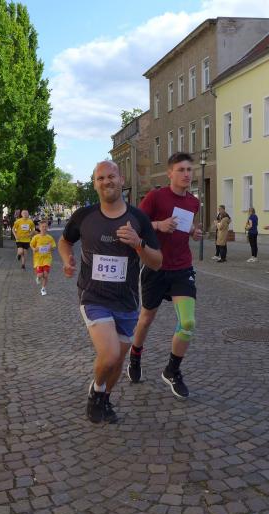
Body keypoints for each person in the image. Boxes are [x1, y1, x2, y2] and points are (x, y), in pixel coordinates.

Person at [59, 161, 161, 423]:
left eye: (111, 176)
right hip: (93, 296)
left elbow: (157, 262)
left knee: (116, 362)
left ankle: (103, 398)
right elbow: (65, 241)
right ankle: (96, 391)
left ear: (121, 179)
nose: (107, 181)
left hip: (127, 300)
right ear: (95, 184)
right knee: (111, 354)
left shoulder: (138, 219)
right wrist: (67, 259)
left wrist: (138, 244)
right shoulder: (84, 216)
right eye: (101, 178)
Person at [128, 152, 203, 398]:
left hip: (182, 268)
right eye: (181, 170)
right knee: (146, 319)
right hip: (155, 267)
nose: (186, 174)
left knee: (188, 322)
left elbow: (185, 225)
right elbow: (135, 224)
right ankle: (135, 356)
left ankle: (172, 370)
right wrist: (159, 225)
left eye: (189, 170)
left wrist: (193, 232)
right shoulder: (156, 197)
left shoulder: (193, 202)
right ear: (170, 173)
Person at [30, 220, 56, 295]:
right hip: (38, 259)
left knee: (46, 275)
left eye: (45, 227)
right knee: (40, 275)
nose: (44, 228)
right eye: (42, 227)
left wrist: (51, 248)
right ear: (39, 228)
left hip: (47, 258)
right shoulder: (36, 237)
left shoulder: (50, 238)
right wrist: (34, 249)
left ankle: (43, 288)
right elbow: (31, 245)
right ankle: (38, 278)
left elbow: (53, 246)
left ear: (47, 227)